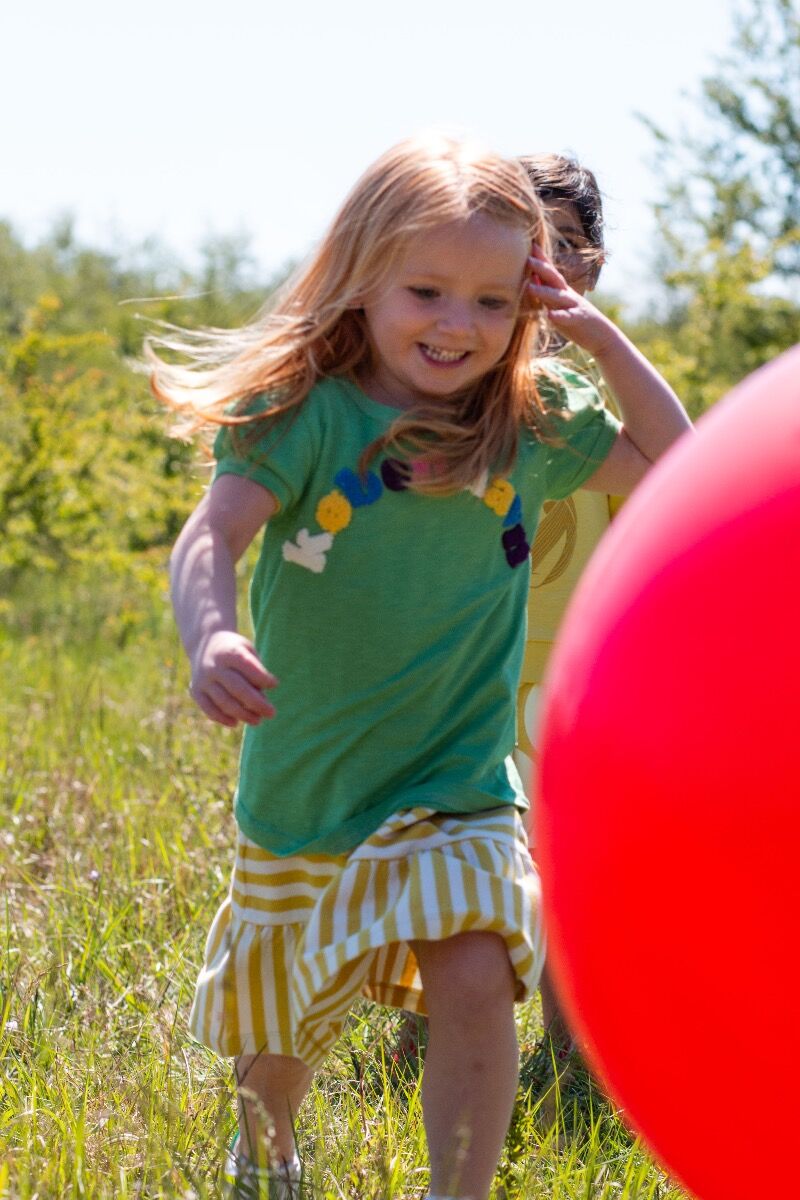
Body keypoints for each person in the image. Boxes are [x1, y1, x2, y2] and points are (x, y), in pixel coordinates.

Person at [150, 133, 691, 1200]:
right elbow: (208, 537)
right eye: (428, 291)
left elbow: (676, 465)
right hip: (311, 781)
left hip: (457, 783)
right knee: (280, 1026)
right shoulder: (307, 414)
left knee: (479, 968)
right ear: (361, 280)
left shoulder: (532, 422)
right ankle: (268, 1155)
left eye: (494, 303)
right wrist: (210, 631)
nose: (458, 325)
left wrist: (604, 342)